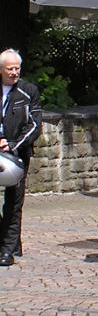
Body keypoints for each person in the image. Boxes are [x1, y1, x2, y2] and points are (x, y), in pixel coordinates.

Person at [0, 49, 41, 266]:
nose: (14, 72)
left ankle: (8, 250)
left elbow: (34, 124)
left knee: (14, 203)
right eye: (10, 69)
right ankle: (6, 241)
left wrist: (13, 144)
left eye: (17, 68)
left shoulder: (28, 91)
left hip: (17, 153)